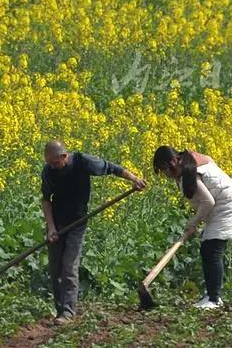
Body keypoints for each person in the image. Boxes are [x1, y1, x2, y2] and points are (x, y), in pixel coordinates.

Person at [41, 139, 146, 324]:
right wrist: (51, 228)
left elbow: (111, 168)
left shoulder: (83, 161)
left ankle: (68, 313)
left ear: (64, 156)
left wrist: (135, 180)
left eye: (55, 163)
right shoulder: (49, 171)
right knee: (55, 268)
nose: (53, 167)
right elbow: (46, 200)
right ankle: (60, 311)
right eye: (49, 163)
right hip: (56, 223)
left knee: (69, 267)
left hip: (77, 223)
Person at [153, 146, 232, 309]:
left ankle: (214, 299)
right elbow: (210, 162)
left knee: (212, 251)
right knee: (208, 250)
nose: (166, 174)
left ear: (173, 161)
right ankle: (212, 296)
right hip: (220, 206)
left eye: (165, 169)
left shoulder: (190, 173)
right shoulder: (191, 160)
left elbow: (208, 201)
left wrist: (193, 222)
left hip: (226, 208)